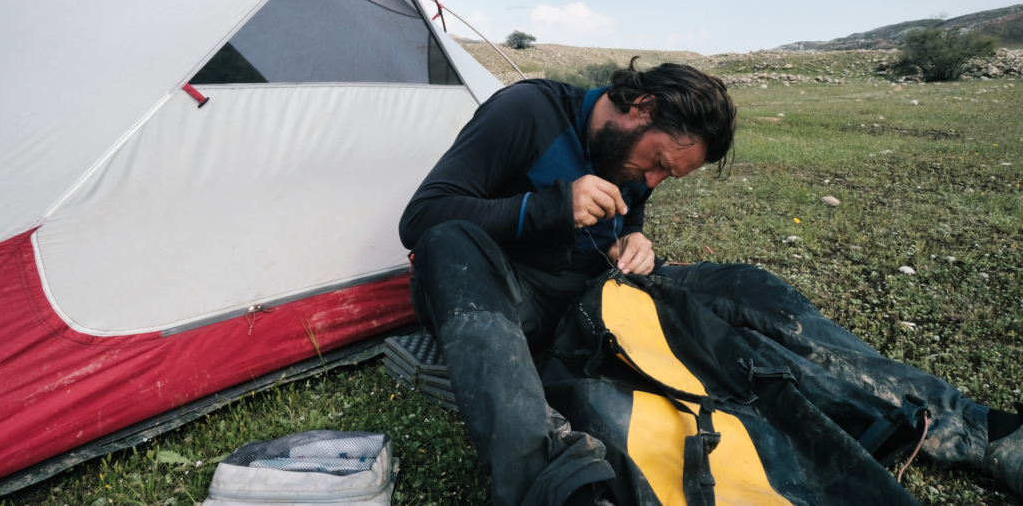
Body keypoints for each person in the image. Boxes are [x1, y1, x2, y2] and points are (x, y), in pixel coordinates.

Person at [398, 60, 1023, 506]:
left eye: (672, 176)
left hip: (596, 299)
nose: (655, 182)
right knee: (450, 242)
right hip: (509, 297)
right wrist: (545, 207)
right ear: (639, 109)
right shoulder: (528, 111)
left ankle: (970, 425)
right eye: (660, 165)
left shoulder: (633, 160)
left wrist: (634, 244)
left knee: (745, 285)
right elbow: (423, 218)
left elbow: (622, 229)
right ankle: (547, 485)